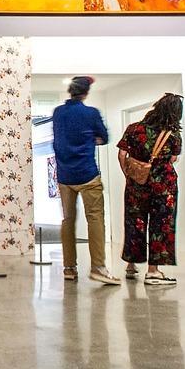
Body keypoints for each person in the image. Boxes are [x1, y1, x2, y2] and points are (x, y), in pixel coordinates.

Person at [52, 76, 120, 285]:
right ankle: (98, 267)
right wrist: (91, 139)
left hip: (64, 175)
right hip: (88, 173)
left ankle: (69, 268)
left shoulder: (58, 113)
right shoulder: (91, 113)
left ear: (70, 91)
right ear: (86, 93)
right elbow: (105, 138)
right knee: (95, 219)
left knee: (68, 220)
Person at [117, 94, 184, 285]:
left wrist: (129, 175)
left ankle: (131, 265)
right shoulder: (172, 135)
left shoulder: (134, 129)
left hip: (136, 185)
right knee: (160, 225)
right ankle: (153, 271)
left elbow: (122, 154)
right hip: (163, 187)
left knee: (134, 222)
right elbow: (172, 159)